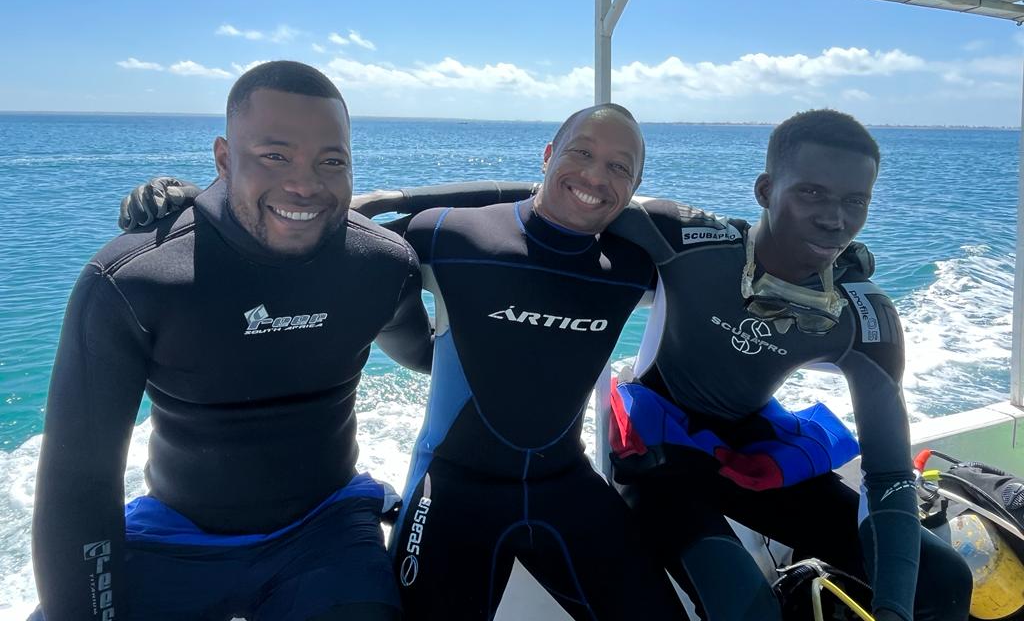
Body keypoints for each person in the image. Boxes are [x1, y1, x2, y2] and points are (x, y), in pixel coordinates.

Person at [350, 109, 972, 621]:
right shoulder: (688, 243)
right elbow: (568, 201)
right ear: (765, 191)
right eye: (810, 192)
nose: (833, 217)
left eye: (854, 201)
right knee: (744, 606)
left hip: (752, 456)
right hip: (659, 457)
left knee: (941, 580)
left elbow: (890, 473)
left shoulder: (861, 317)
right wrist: (395, 199)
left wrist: (893, 610)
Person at [117, 103, 686, 620]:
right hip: (453, 491)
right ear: (547, 155)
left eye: (619, 167)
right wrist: (200, 206)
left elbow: (722, 251)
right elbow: (305, 235)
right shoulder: (454, 235)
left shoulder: (632, 266)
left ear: (634, 185)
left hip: (569, 485)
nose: (594, 176)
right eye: (581, 153)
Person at [31, 61, 433, 621]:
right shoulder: (136, 280)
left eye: (332, 161)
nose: (305, 183)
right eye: (275, 155)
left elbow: (428, 357)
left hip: (327, 530)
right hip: (175, 538)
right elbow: (78, 482)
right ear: (223, 158)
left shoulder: (381, 265)